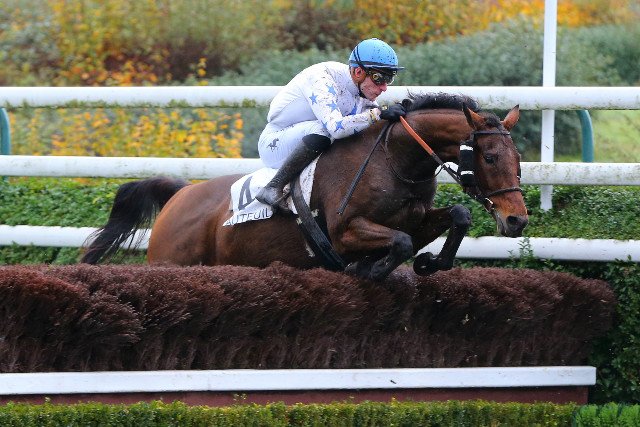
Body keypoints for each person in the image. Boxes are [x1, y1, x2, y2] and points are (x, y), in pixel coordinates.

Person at [255, 38, 407, 210]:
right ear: (358, 72)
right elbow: (336, 129)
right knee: (326, 130)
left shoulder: (361, 90)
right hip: (274, 144)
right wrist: (378, 114)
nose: (384, 88)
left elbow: (371, 124)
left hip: (303, 137)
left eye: (389, 79)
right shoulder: (322, 78)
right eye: (380, 78)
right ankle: (273, 186)